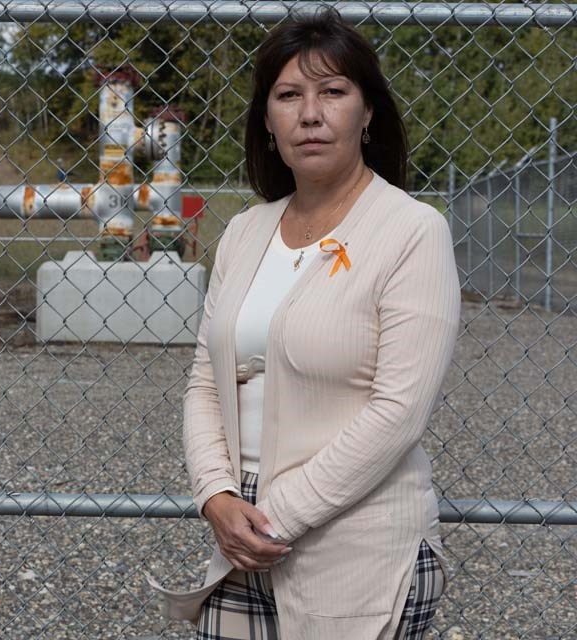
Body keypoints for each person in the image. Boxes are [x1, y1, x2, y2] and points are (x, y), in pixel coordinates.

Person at [148, 7, 461, 639]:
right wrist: (215, 496)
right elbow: (207, 382)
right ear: (267, 120)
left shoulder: (411, 231)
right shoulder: (244, 232)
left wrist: (276, 514)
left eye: (333, 92)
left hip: (357, 539)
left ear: (367, 111)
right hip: (240, 533)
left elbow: (397, 410)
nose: (310, 114)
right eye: (288, 95)